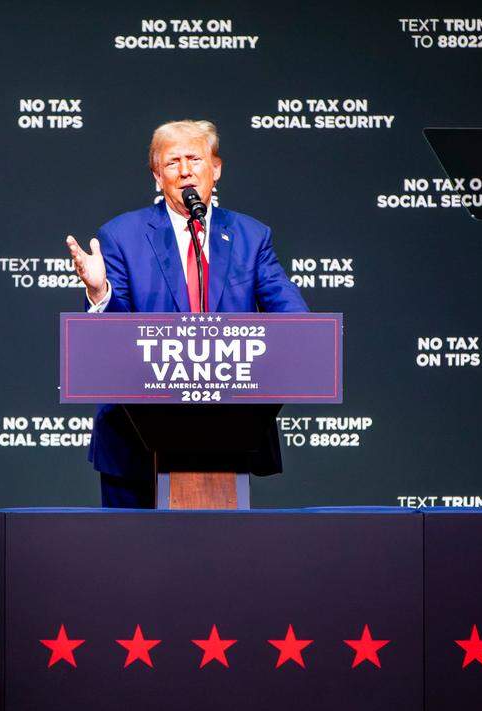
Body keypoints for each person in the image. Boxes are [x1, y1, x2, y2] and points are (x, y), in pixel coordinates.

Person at [65, 120, 307, 508]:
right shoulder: (121, 236)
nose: (185, 170)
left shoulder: (251, 236)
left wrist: (298, 341)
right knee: (131, 566)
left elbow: (293, 317)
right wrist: (99, 292)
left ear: (216, 168)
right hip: (134, 440)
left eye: (194, 158)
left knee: (219, 564)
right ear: (157, 176)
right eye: (172, 161)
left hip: (229, 432)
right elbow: (113, 339)